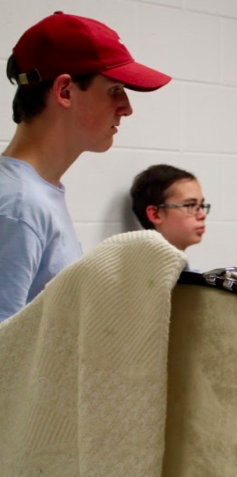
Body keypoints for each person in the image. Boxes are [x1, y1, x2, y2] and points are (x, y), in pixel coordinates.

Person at [0, 12, 171, 322]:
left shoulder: (37, 194)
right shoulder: (19, 205)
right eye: (114, 90)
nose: (127, 108)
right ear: (65, 92)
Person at [129, 165, 209, 262]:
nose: (202, 215)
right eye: (190, 205)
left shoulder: (182, 267)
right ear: (155, 214)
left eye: (201, 205)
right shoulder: (142, 269)